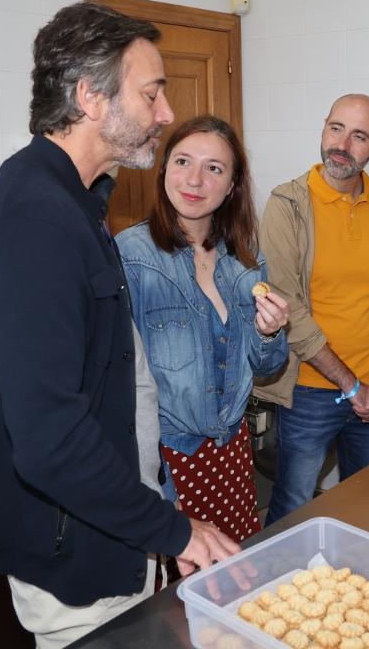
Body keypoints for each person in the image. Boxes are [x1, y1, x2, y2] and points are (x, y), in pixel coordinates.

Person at [0, 1, 239, 649]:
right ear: (89, 96)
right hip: (73, 551)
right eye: (152, 93)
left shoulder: (74, 206)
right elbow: (50, 439)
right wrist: (175, 531)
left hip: (107, 530)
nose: (165, 113)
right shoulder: (35, 220)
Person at [117, 116, 290, 544]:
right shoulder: (131, 257)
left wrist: (270, 332)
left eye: (214, 168)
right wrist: (152, 486)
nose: (194, 179)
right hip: (166, 461)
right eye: (183, 161)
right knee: (177, 582)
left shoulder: (245, 259)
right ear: (163, 170)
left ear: (232, 185)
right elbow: (119, 383)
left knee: (236, 573)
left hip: (232, 457)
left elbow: (267, 366)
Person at [257, 93, 369, 527]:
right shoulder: (287, 205)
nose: (342, 145)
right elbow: (288, 309)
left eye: (359, 136)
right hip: (309, 392)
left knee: (367, 508)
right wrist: (351, 385)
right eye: (336, 129)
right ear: (324, 127)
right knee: (293, 509)